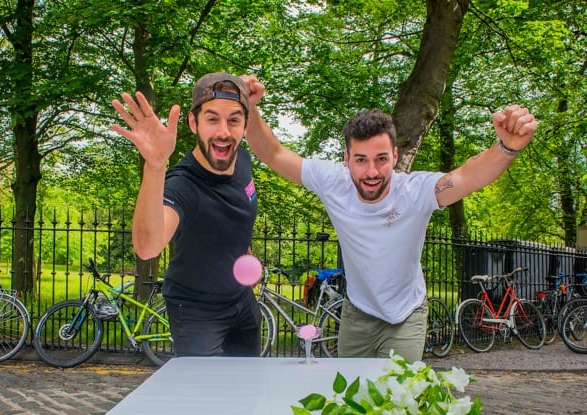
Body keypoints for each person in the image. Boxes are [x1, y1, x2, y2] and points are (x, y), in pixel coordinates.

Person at [242, 75, 539, 362]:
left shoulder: (414, 192)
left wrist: (506, 147)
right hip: (357, 314)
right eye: (361, 160)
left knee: (396, 402)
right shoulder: (333, 182)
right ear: (347, 160)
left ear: (395, 157)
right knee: (351, 403)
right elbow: (273, 153)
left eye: (381, 159)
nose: (371, 171)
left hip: (405, 315)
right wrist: (250, 108)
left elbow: (466, 176)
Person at [111, 72, 261, 357]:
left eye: (233, 120)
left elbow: (235, 216)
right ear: (194, 122)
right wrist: (155, 166)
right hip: (196, 311)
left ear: (245, 126)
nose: (223, 132)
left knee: (246, 389)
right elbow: (147, 247)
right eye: (212, 118)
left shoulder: (242, 159)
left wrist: (247, 253)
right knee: (202, 397)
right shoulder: (183, 185)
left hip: (241, 301)